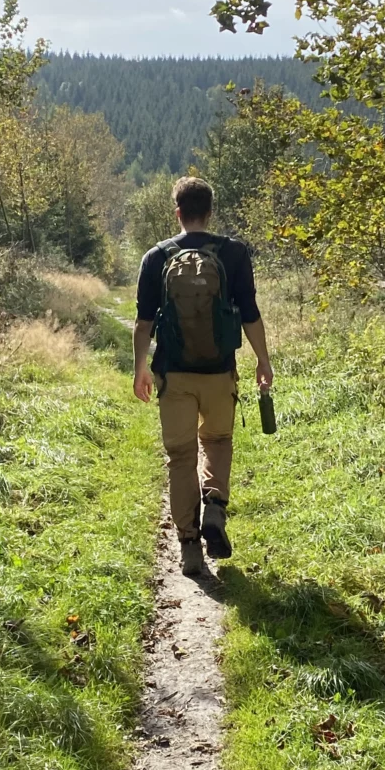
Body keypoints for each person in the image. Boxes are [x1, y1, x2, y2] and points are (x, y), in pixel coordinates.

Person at [133, 176, 273, 576]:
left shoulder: (156, 257)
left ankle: (190, 546)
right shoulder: (233, 253)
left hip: (173, 375)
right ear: (210, 211)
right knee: (217, 441)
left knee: (180, 458)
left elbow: (144, 323)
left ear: (177, 212)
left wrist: (140, 368)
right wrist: (263, 360)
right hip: (219, 372)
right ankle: (215, 505)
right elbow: (249, 313)